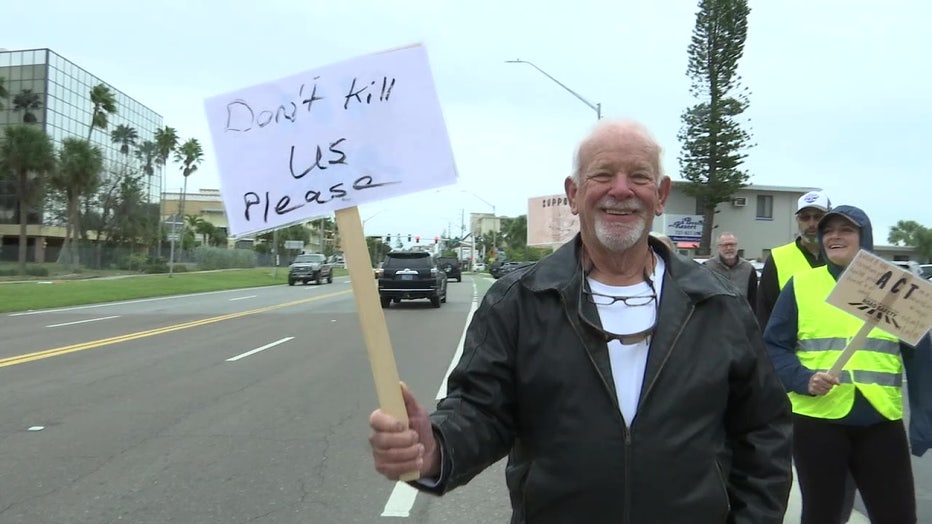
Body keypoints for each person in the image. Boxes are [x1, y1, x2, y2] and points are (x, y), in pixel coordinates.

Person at [369, 119, 793, 523]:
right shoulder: (519, 301)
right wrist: (436, 448)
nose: (621, 190)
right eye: (602, 174)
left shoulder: (717, 303)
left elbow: (763, 432)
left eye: (639, 177)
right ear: (573, 193)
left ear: (661, 194)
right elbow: (481, 410)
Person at [763, 205, 918, 523]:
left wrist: (925, 417)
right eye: (828, 230)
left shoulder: (895, 288)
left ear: (865, 237)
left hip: (881, 419)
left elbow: (920, 357)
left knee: (898, 515)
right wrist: (802, 378)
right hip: (817, 421)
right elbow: (772, 346)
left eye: (846, 230)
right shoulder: (801, 285)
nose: (835, 236)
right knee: (823, 514)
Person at [756, 190, 831, 328]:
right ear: (797, 220)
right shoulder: (778, 258)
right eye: (805, 217)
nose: (811, 224)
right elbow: (764, 312)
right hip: (788, 347)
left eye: (818, 217)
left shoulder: (842, 257)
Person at [704, 232, 758, 311]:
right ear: (718, 247)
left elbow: (753, 299)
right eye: (725, 245)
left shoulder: (748, 269)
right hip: (715, 316)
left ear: (737, 246)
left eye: (732, 244)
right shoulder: (707, 267)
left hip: (741, 317)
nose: (729, 248)